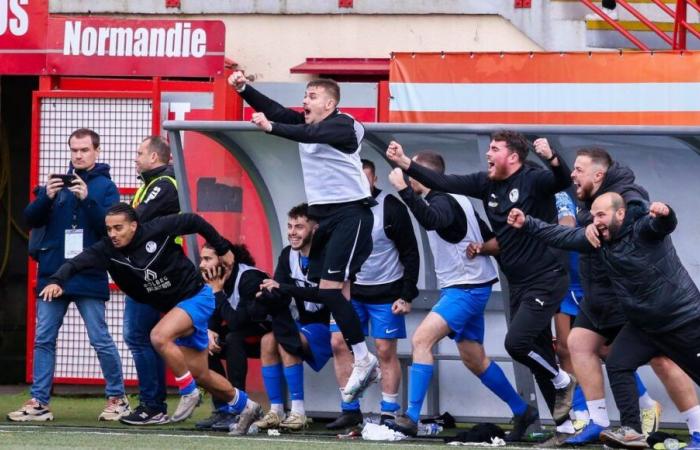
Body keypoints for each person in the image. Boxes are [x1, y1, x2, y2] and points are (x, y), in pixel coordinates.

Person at [386, 133, 577, 440]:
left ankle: (409, 417)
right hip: (510, 282)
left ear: (513, 156)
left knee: (426, 340)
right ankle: (540, 417)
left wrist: (552, 157)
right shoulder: (483, 185)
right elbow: (486, 228)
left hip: (493, 284)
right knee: (478, 357)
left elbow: (560, 181)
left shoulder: (528, 180)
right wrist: (404, 162)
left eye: (494, 149)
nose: (487, 153)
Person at [38, 204, 263, 435]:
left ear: (134, 226)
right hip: (175, 308)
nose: (113, 234)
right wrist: (57, 280)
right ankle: (248, 406)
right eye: (109, 229)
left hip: (197, 296)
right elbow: (76, 263)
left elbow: (194, 221)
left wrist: (222, 247)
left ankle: (188, 392)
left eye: (118, 228)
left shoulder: (158, 228)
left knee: (158, 336)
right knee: (201, 374)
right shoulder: (106, 249)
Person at [508, 193, 700, 449]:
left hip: (682, 319)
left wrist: (666, 213)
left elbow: (663, 225)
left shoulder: (643, 227)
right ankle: (631, 431)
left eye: (601, 215)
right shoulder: (598, 238)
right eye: (593, 216)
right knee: (618, 362)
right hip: (644, 325)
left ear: (620, 214)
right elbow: (561, 236)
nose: (595, 221)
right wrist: (527, 222)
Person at [230, 72, 379, 401]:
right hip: (325, 219)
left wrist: (272, 128)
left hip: (350, 215)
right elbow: (280, 114)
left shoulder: (344, 125)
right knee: (327, 292)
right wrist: (244, 89)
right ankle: (361, 357)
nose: (305, 101)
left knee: (331, 291)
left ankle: (364, 358)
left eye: (311, 96)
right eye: (305, 96)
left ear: (329, 103)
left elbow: (302, 130)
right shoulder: (311, 126)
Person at [563, 148, 700, 445]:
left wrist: (663, 214)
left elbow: (653, 221)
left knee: (664, 362)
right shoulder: (591, 207)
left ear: (598, 175)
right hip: (626, 308)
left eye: (578, 169)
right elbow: (564, 236)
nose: (573, 175)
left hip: (667, 312)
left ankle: (696, 428)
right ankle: (617, 425)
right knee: (595, 350)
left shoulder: (628, 200)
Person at [9, 128, 128, 423]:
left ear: (96, 151)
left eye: (84, 150)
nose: (78, 155)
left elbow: (110, 230)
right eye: (74, 150)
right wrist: (45, 198)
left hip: (88, 272)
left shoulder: (106, 187)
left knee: (99, 338)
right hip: (53, 275)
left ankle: (118, 398)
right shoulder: (55, 185)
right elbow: (29, 218)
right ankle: (39, 402)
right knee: (44, 338)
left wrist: (88, 199)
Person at [326, 159, 420, 430]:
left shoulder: (390, 208)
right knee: (338, 343)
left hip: (386, 292)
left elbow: (411, 253)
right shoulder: (340, 208)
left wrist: (407, 295)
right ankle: (350, 408)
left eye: (365, 179)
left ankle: (389, 413)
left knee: (384, 350)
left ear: (374, 179)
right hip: (349, 291)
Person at [254, 203, 333, 431]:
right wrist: (263, 295)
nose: (292, 232)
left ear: (314, 229)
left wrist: (285, 288)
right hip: (302, 322)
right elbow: (279, 289)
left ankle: (298, 411)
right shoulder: (288, 255)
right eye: (290, 226)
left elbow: (325, 294)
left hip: (328, 324)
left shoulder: (327, 254)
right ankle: (276, 410)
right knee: (267, 340)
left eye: (299, 227)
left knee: (287, 340)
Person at [120, 135, 180, 426]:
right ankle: (154, 404)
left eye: (139, 152)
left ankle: (152, 404)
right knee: (149, 337)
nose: (136, 157)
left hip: (154, 271)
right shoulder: (149, 184)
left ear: (154, 158)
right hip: (150, 270)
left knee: (137, 335)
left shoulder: (163, 185)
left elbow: (136, 221)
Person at [195, 241, 273, 432]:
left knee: (233, 338)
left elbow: (239, 322)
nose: (202, 265)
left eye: (207, 259)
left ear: (225, 261)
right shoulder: (212, 279)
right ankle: (222, 408)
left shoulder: (249, 278)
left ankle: (239, 407)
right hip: (241, 330)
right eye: (201, 259)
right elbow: (213, 314)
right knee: (202, 340)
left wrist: (218, 292)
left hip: (268, 332)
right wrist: (209, 332)